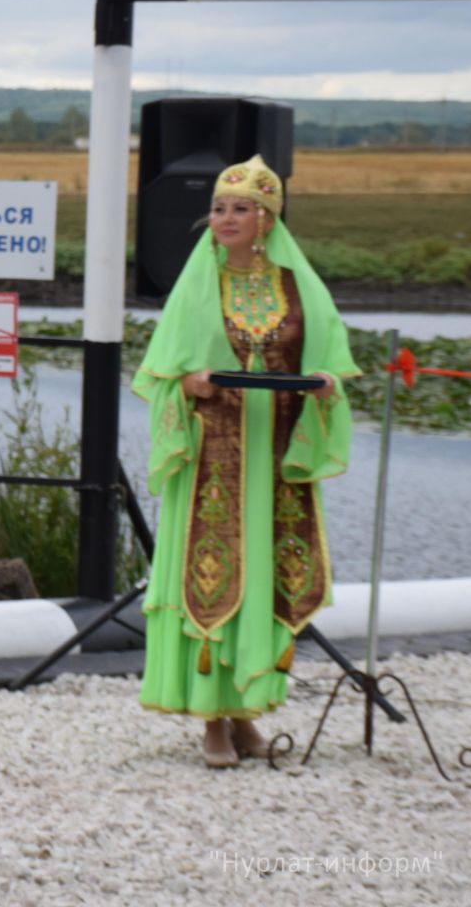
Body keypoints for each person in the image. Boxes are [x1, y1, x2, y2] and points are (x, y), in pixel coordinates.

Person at [134, 155, 358, 767]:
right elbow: (161, 373)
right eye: (218, 207)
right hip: (216, 455)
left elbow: (329, 359)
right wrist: (191, 383)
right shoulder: (199, 281)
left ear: (267, 219)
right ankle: (210, 717)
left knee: (265, 570)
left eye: (240, 208)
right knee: (212, 573)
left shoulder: (294, 285)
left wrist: (324, 384)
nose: (225, 218)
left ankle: (247, 710)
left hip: (276, 453)